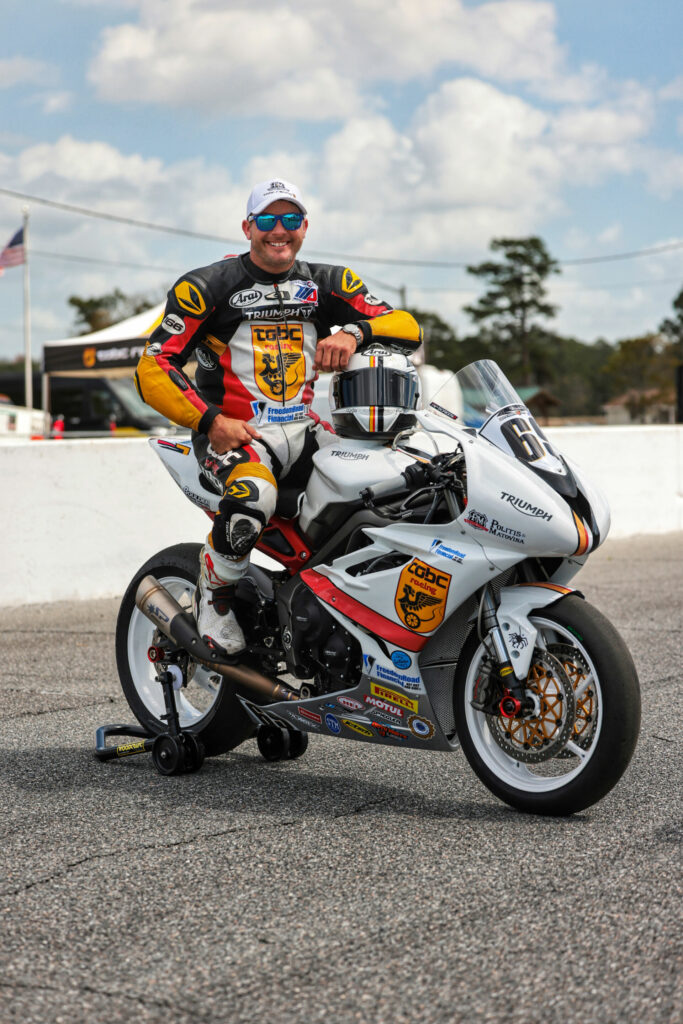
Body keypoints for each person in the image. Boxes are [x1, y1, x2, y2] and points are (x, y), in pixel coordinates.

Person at [136, 178, 422, 654]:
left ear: (305, 227)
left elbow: (406, 326)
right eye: (268, 219)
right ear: (248, 227)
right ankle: (216, 598)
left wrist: (353, 331)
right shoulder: (207, 285)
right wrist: (210, 422)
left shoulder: (329, 282)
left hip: (308, 432)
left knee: (390, 486)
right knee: (254, 499)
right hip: (238, 435)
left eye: (291, 219)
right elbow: (152, 365)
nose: (279, 230)